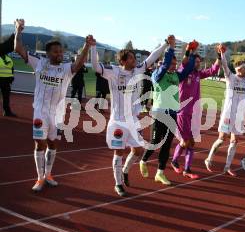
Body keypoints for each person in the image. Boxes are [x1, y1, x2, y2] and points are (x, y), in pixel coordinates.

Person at [14, 19, 94, 192]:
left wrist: (86, 46)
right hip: (40, 111)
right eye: (56, 51)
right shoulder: (39, 63)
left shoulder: (66, 69)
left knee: (53, 144)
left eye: (61, 51)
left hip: (57, 114)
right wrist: (18, 30)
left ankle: (49, 174)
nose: (60, 54)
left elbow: (79, 63)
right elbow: (18, 49)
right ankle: (40, 177)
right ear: (48, 53)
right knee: (39, 143)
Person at [91, 36, 171, 197]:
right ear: (123, 60)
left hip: (133, 120)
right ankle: (118, 184)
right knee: (118, 153)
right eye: (132, 58)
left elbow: (152, 57)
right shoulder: (113, 72)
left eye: (135, 58)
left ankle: (125, 172)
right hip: (118, 121)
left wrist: (166, 44)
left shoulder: (138, 70)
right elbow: (95, 66)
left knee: (138, 151)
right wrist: (92, 48)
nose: (135, 60)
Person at [140, 39, 197, 186]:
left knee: (166, 145)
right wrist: (170, 48)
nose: (173, 66)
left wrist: (191, 52)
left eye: (174, 64)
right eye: (171, 63)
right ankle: (143, 160)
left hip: (172, 114)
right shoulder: (157, 76)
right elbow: (164, 65)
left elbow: (189, 68)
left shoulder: (176, 76)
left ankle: (160, 172)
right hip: (160, 113)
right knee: (155, 142)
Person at [170, 43, 221, 179]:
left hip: (193, 114)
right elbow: (185, 62)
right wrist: (189, 51)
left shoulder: (198, 74)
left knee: (189, 142)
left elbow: (213, 70)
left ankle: (180, 164)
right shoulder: (184, 71)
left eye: (199, 62)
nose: (198, 64)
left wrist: (220, 55)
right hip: (182, 112)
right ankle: (179, 164)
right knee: (188, 142)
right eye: (196, 61)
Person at [0, 32, 16, 117]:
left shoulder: (7, 57)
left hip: (6, 81)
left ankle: (7, 111)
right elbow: (8, 45)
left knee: (6, 97)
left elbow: (10, 68)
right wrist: (16, 32)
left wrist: (11, 77)